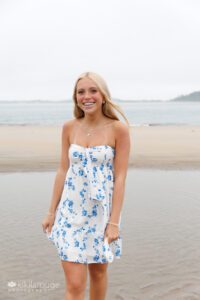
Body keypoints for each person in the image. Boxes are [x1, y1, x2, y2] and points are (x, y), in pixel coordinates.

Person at [41, 71, 130, 300]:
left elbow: (120, 177)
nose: (86, 96)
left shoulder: (118, 129)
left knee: (98, 274)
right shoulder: (69, 127)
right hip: (70, 213)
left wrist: (114, 222)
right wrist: (51, 211)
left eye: (93, 90)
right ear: (75, 97)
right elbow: (62, 169)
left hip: (101, 215)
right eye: (81, 92)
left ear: (103, 96)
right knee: (75, 284)